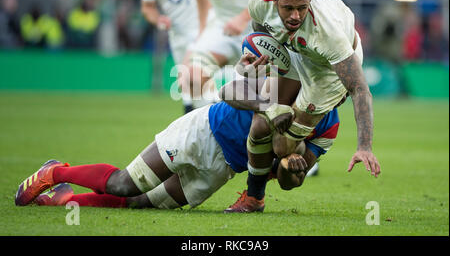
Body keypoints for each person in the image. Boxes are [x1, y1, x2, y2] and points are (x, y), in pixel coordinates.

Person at [14, 55, 340, 211]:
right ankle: (55, 172)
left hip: (223, 169)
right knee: (124, 183)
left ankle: (65, 200)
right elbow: (227, 92)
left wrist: (290, 169)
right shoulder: (287, 77)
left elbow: (288, 181)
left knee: (141, 202)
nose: (337, 94)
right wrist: (266, 108)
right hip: (202, 131)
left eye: (342, 92)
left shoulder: (330, 125)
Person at [224, 0, 381, 212]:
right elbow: (260, 26)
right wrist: (263, 56)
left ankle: (289, 164)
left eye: (302, 8)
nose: (295, 16)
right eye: (288, 8)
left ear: (310, 0)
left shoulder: (328, 33)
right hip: (296, 52)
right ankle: (254, 198)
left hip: (327, 72)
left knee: (281, 147)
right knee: (261, 124)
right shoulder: (260, 0)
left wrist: (364, 147)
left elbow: (360, 89)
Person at [180, 0, 274, 109]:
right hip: (223, 26)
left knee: (256, 101)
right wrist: (202, 27)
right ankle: (212, 120)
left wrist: (244, 17)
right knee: (191, 77)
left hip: (255, 28)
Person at [140, 0, 201, 113]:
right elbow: (147, 7)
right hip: (178, 37)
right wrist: (158, 19)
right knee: (190, 95)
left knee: (193, 80)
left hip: (204, 32)